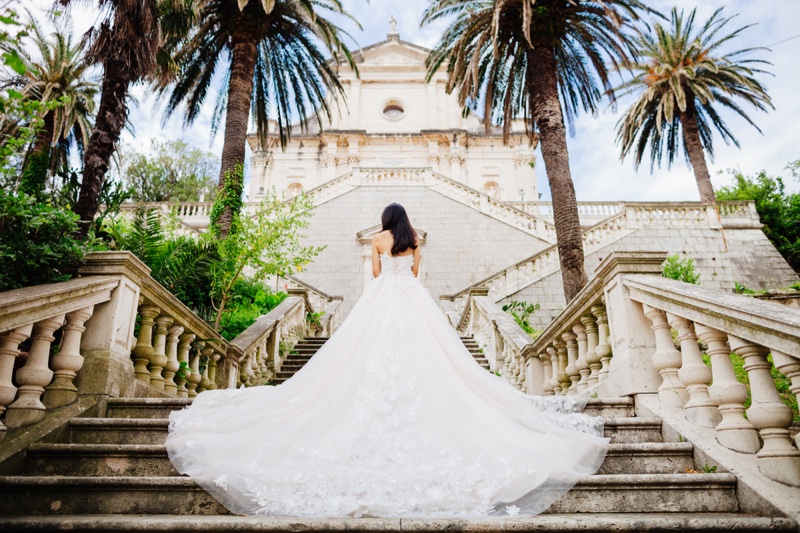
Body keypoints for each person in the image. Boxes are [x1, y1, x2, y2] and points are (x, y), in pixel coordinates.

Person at [166, 203, 609, 518]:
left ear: (384, 221)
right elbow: (416, 274)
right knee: (428, 358)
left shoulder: (377, 240)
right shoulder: (413, 239)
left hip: (383, 303)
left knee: (368, 358)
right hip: (412, 303)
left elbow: (377, 276)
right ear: (407, 223)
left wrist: (384, 268)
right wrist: (407, 264)